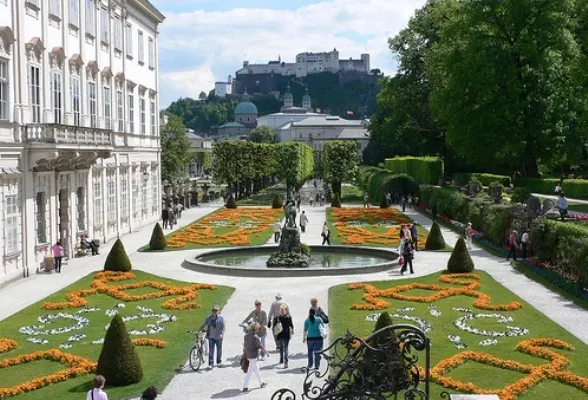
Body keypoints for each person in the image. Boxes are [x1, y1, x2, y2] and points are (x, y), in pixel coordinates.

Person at [242, 323, 269, 392]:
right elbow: (260, 346)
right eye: (259, 328)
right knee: (249, 372)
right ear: (256, 329)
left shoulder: (246, 336)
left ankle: (261, 383)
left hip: (248, 355)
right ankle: (245, 387)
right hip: (253, 356)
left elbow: (244, 346)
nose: (259, 330)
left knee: (256, 370)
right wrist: (266, 352)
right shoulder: (255, 337)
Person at [199, 304, 225, 369]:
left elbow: (223, 326)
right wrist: (199, 330)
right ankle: (211, 364)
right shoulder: (209, 318)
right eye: (213, 310)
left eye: (216, 310)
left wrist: (222, 334)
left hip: (219, 337)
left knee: (219, 350)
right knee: (211, 351)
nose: (214, 312)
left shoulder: (221, 318)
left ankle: (218, 362)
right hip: (211, 337)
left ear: (218, 311)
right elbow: (204, 324)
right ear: (212, 311)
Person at [276, 304, 294, 368]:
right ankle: (286, 362)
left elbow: (275, 326)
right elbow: (291, 325)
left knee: (281, 347)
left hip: (280, 334)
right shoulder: (289, 317)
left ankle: (281, 359)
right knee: (286, 348)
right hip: (286, 334)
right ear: (286, 310)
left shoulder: (278, 317)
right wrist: (292, 332)